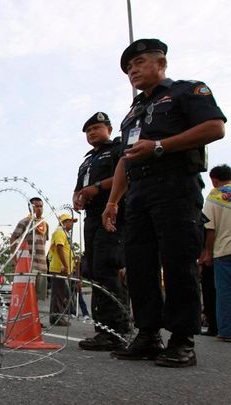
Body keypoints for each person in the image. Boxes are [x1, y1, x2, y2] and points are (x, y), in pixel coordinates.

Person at [103, 38, 226, 367]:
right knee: (139, 266)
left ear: (161, 63)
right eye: (129, 68)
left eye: (139, 63)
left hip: (175, 187)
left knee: (177, 262)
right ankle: (147, 334)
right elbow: (125, 161)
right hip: (139, 194)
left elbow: (215, 128)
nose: (133, 71)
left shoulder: (187, 92)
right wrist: (113, 201)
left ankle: (183, 339)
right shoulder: (132, 114)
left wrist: (159, 146)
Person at [73, 112, 131, 350]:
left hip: (113, 213)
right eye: (88, 131)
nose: (92, 133)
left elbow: (126, 173)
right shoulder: (87, 160)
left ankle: (115, 329)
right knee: (95, 271)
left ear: (109, 128)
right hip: (92, 218)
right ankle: (103, 328)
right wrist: (78, 197)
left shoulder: (118, 149)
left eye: (96, 128)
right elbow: (80, 188)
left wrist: (97, 188)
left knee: (108, 269)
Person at [200, 164, 231, 341]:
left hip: (224, 251)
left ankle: (226, 331)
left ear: (214, 180)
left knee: (224, 293)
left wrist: (207, 252)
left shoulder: (215, 196)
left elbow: (209, 228)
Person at [10, 197, 49, 300]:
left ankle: (35, 316)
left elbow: (44, 243)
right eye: (36, 206)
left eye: (41, 206)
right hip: (29, 265)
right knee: (27, 296)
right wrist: (14, 258)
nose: (39, 209)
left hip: (42, 265)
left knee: (38, 298)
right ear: (30, 208)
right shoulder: (25, 222)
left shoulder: (45, 224)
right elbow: (13, 238)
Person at [48, 213, 77, 326]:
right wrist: (65, 265)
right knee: (58, 294)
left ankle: (57, 316)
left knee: (61, 293)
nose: (71, 224)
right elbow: (60, 249)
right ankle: (56, 318)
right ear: (63, 222)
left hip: (62, 268)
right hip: (59, 268)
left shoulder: (64, 233)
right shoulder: (60, 232)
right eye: (69, 221)